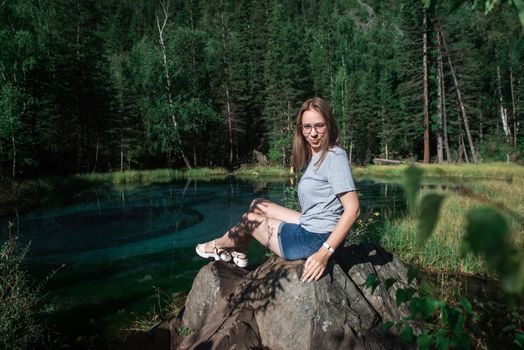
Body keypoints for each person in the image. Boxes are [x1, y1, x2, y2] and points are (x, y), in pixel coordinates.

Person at [196, 97, 360, 282]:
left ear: (329, 125)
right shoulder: (317, 155)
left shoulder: (335, 156)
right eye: (307, 127)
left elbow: (353, 209)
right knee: (257, 205)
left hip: (316, 238)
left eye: (319, 126)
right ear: (301, 128)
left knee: (249, 220)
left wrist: (324, 253)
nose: (313, 133)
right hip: (313, 224)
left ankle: (219, 245)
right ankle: (240, 250)